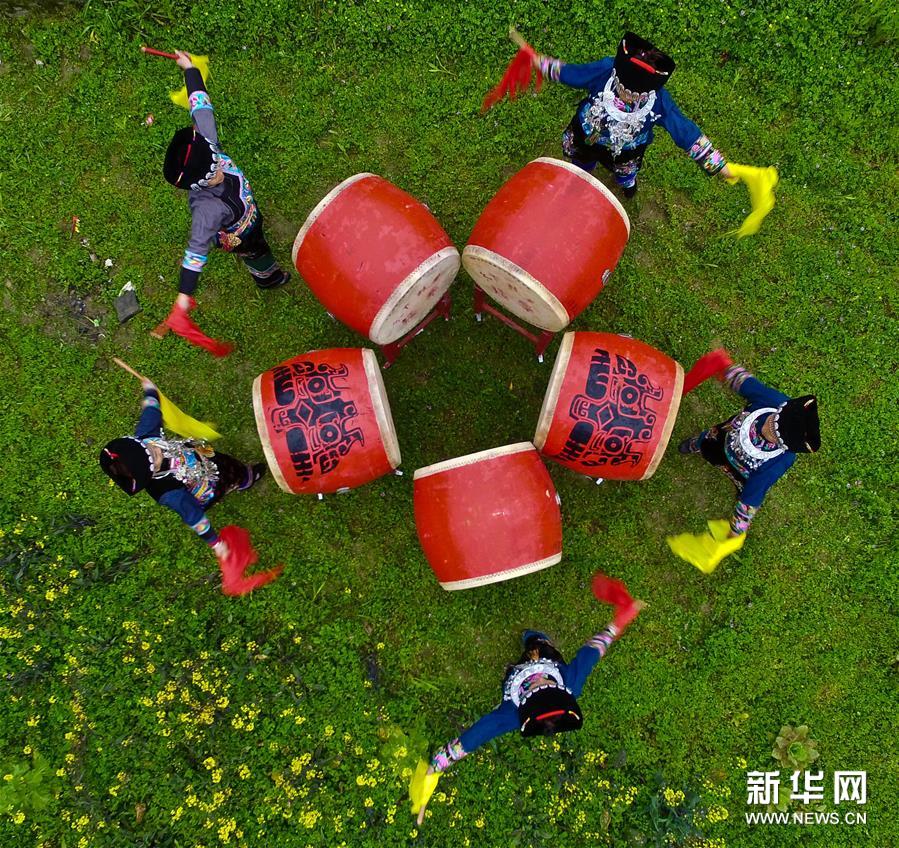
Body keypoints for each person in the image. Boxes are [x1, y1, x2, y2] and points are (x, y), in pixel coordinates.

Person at [414, 599, 644, 824]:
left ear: (525, 706)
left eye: (538, 688)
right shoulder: (571, 682)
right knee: (537, 642)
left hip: (514, 679)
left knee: (518, 664)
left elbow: (472, 739)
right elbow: (592, 651)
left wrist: (434, 768)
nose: (540, 679)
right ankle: (532, 636)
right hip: (549, 657)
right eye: (546, 685)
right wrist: (616, 625)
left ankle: (516, 662)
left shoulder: (510, 715)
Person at [163, 50, 289, 318]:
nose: (220, 171)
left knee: (257, 223)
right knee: (255, 252)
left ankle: (257, 224)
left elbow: (200, 104)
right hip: (239, 233)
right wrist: (184, 295)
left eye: (217, 164)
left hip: (247, 207)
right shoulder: (206, 210)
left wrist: (190, 70)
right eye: (212, 176)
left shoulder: (207, 142)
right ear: (197, 185)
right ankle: (268, 278)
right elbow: (195, 253)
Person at [534, 32, 735, 197]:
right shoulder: (605, 70)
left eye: (634, 95)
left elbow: (685, 132)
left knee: (626, 170)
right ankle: (580, 176)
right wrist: (544, 64)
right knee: (581, 159)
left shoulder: (660, 102)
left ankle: (626, 183)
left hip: (628, 148)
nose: (627, 97)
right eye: (622, 89)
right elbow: (575, 74)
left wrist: (719, 166)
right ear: (616, 76)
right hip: (586, 132)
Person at [99, 377, 265, 557]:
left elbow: (151, 412)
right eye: (154, 457)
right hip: (205, 486)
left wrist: (150, 392)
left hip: (201, 458)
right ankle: (243, 480)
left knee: (226, 463)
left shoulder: (145, 438)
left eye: (149, 447)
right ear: (149, 474)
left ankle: (241, 473)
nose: (156, 449)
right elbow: (193, 517)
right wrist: (215, 543)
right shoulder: (167, 492)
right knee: (227, 479)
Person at [678, 363, 820, 540]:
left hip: (741, 470)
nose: (767, 429)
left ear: (785, 446)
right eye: (772, 421)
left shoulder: (782, 460)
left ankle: (702, 447)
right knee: (707, 441)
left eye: (775, 435)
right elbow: (748, 385)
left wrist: (738, 527)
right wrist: (726, 370)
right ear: (780, 411)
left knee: (743, 489)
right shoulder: (774, 400)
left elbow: (756, 490)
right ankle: (696, 445)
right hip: (722, 438)